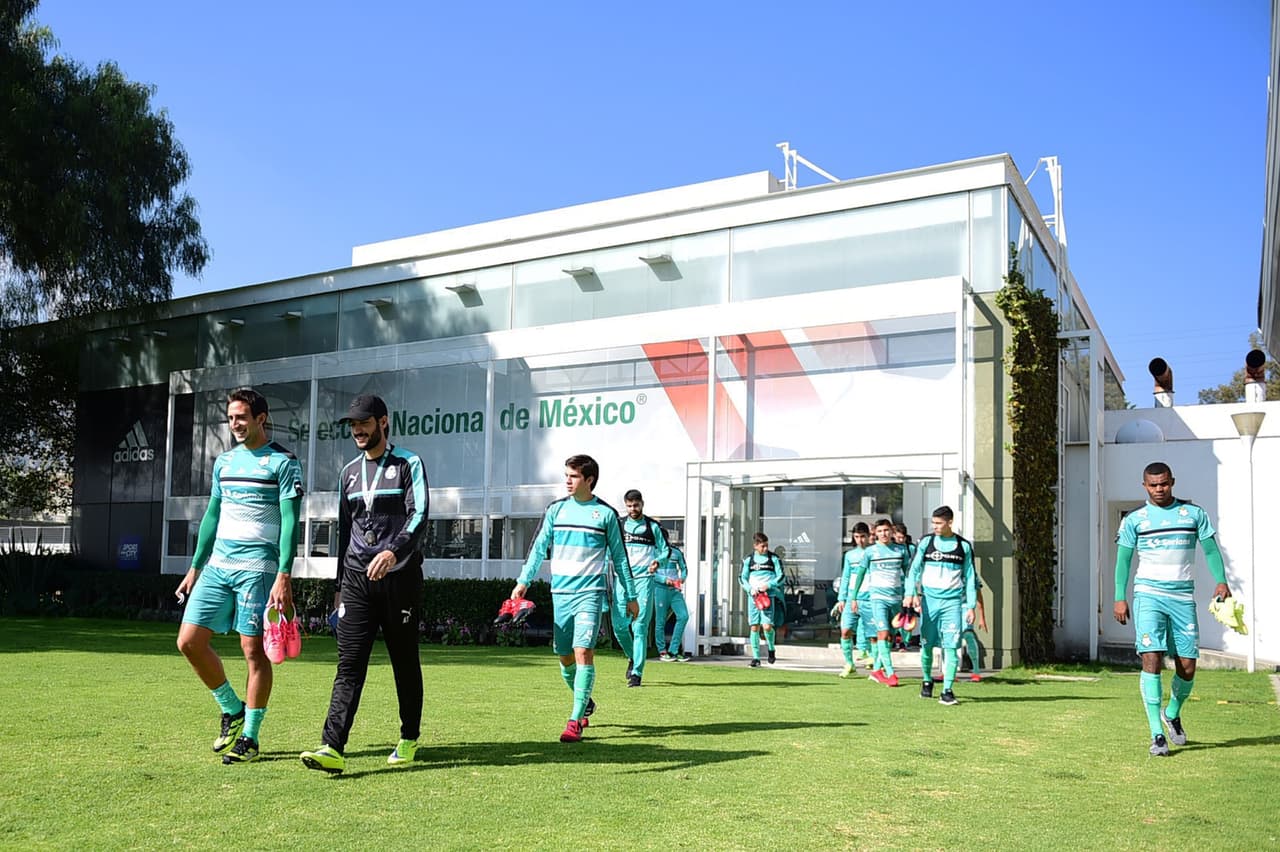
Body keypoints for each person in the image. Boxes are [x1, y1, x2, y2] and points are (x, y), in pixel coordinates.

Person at [301, 394, 429, 773]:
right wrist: (340, 587)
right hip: (357, 581)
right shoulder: (349, 473)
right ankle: (332, 746)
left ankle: (409, 736)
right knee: (349, 665)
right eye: (353, 424)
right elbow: (345, 530)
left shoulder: (409, 463)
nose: (357, 430)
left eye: (364, 422)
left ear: (383, 422)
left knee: (404, 662)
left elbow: (420, 513)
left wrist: (393, 552)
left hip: (400, 579)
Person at [175, 388, 302, 765]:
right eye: (231, 418)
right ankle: (232, 709)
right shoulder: (224, 462)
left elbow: (291, 522)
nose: (235, 424)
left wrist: (284, 574)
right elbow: (212, 514)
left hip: (259, 570)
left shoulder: (283, 462)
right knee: (188, 642)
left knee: (254, 654)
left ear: (261, 418)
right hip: (218, 566)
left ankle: (250, 736)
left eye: (242, 417)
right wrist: (196, 566)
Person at [509, 455, 637, 743]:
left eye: (574, 476)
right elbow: (539, 548)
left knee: (583, 652)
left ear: (589, 480)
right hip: (561, 594)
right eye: (566, 475)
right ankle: (586, 701)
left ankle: (575, 720)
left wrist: (630, 595)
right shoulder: (556, 510)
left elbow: (620, 558)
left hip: (590, 594)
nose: (567, 481)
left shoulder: (605, 515)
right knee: (564, 656)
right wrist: (523, 581)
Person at [1113, 462, 1230, 757]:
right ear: (1144, 487)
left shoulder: (1193, 515)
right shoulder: (1134, 520)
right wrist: (1119, 597)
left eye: (1163, 483)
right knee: (1151, 658)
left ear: (1172, 482)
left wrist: (1221, 582)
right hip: (1148, 595)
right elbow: (1124, 561)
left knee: (1188, 666)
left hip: (1182, 599)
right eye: (1153, 485)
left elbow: (1211, 550)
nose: (1159, 489)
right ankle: (1156, 735)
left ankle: (1172, 713)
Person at [905, 506, 976, 706]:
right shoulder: (926, 542)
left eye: (939, 523)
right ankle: (927, 681)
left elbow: (970, 578)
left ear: (950, 522)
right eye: (933, 523)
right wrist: (911, 593)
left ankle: (947, 690)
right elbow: (913, 570)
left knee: (951, 646)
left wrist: (970, 606)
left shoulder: (964, 546)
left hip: (953, 603)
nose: (934, 526)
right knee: (927, 645)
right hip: (929, 601)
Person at [610, 489, 669, 687]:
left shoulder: (653, 527)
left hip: (644, 580)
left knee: (640, 627)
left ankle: (637, 673)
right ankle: (632, 656)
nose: (633, 509)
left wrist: (657, 562)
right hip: (623, 580)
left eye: (636, 505)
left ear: (642, 504)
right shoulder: (618, 525)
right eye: (629, 505)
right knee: (619, 627)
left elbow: (665, 551)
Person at [851, 519, 911, 687]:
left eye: (886, 530)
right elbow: (860, 574)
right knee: (883, 634)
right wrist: (854, 597)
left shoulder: (901, 550)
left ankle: (877, 670)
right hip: (877, 599)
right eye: (880, 531)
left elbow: (908, 573)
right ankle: (890, 673)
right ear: (875, 534)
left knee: (890, 635)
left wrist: (912, 594)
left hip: (896, 600)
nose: (883, 534)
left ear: (891, 531)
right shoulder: (870, 552)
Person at [832, 523, 871, 677]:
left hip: (869, 598)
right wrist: (841, 598)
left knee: (873, 633)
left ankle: (874, 661)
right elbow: (846, 576)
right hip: (851, 598)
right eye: (856, 537)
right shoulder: (849, 555)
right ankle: (849, 663)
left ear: (869, 536)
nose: (860, 540)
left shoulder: (873, 552)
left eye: (863, 536)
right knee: (845, 630)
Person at [739, 532, 784, 667]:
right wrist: (750, 589)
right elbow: (742, 578)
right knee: (754, 626)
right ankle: (756, 658)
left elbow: (781, 577)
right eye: (762, 546)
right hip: (753, 597)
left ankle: (771, 648)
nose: (765, 549)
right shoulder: (748, 560)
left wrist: (769, 585)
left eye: (766, 546)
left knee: (767, 626)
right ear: (755, 546)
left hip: (768, 596)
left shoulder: (774, 559)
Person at [654, 542, 692, 662]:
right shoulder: (653, 551)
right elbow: (650, 572)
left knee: (683, 616)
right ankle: (662, 651)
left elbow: (684, 568)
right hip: (660, 589)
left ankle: (673, 650)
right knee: (660, 620)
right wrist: (664, 580)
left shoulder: (676, 552)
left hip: (675, 590)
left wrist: (682, 578)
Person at [891, 524, 917, 651]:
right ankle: (892, 639)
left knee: (907, 614)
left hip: (906, 585)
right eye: (899, 537)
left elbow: (913, 568)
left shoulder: (910, 548)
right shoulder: (891, 548)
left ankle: (905, 642)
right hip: (894, 586)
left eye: (903, 538)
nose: (901, 540)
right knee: (894, 614)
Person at [959, 570, 988, 681]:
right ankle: (946, 673)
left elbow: (978, 595)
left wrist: (982, 617)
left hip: (966, 608)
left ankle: (976, 672)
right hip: (949, 607)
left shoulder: (971, 573)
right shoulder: (947, 569)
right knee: (947, 639)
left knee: (968, 635)